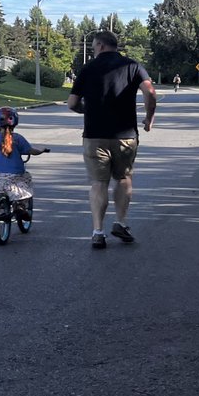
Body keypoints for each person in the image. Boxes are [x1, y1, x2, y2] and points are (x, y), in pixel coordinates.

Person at [67, 29, 157, 249]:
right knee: (124, 178)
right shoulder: (133, 66)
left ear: (100, 46)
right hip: (125, 135)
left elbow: (71, 103)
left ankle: (98, 232)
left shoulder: (88, 69)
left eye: (94, 47)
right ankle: (121, 222)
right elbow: (150, 92)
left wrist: (84, 110)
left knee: (99, 183)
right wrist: (149, 118)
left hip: (94, 135)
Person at [0, 107, 49, 218]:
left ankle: (1, 208)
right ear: (15, 122)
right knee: (26, 181)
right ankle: (20, 205)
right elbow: (32, 151)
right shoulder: (18, 138)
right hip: (16, 173)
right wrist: (42, 150)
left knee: (0, 189)